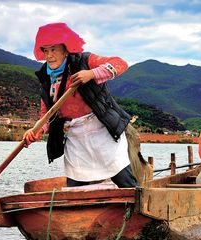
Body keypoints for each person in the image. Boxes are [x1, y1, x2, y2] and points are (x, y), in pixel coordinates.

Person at [23, 22, 138, 188]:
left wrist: (92, 74)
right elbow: (46, 115)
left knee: (124, 181)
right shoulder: (47, 78)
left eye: (53, 49)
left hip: (102, 131)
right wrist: (35, 131)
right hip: (76, 137)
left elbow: (121, 63)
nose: (49, 55)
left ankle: (136, 209)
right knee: (74, 187)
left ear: (65, 48)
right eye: (45, 50)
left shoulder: (84, 61)